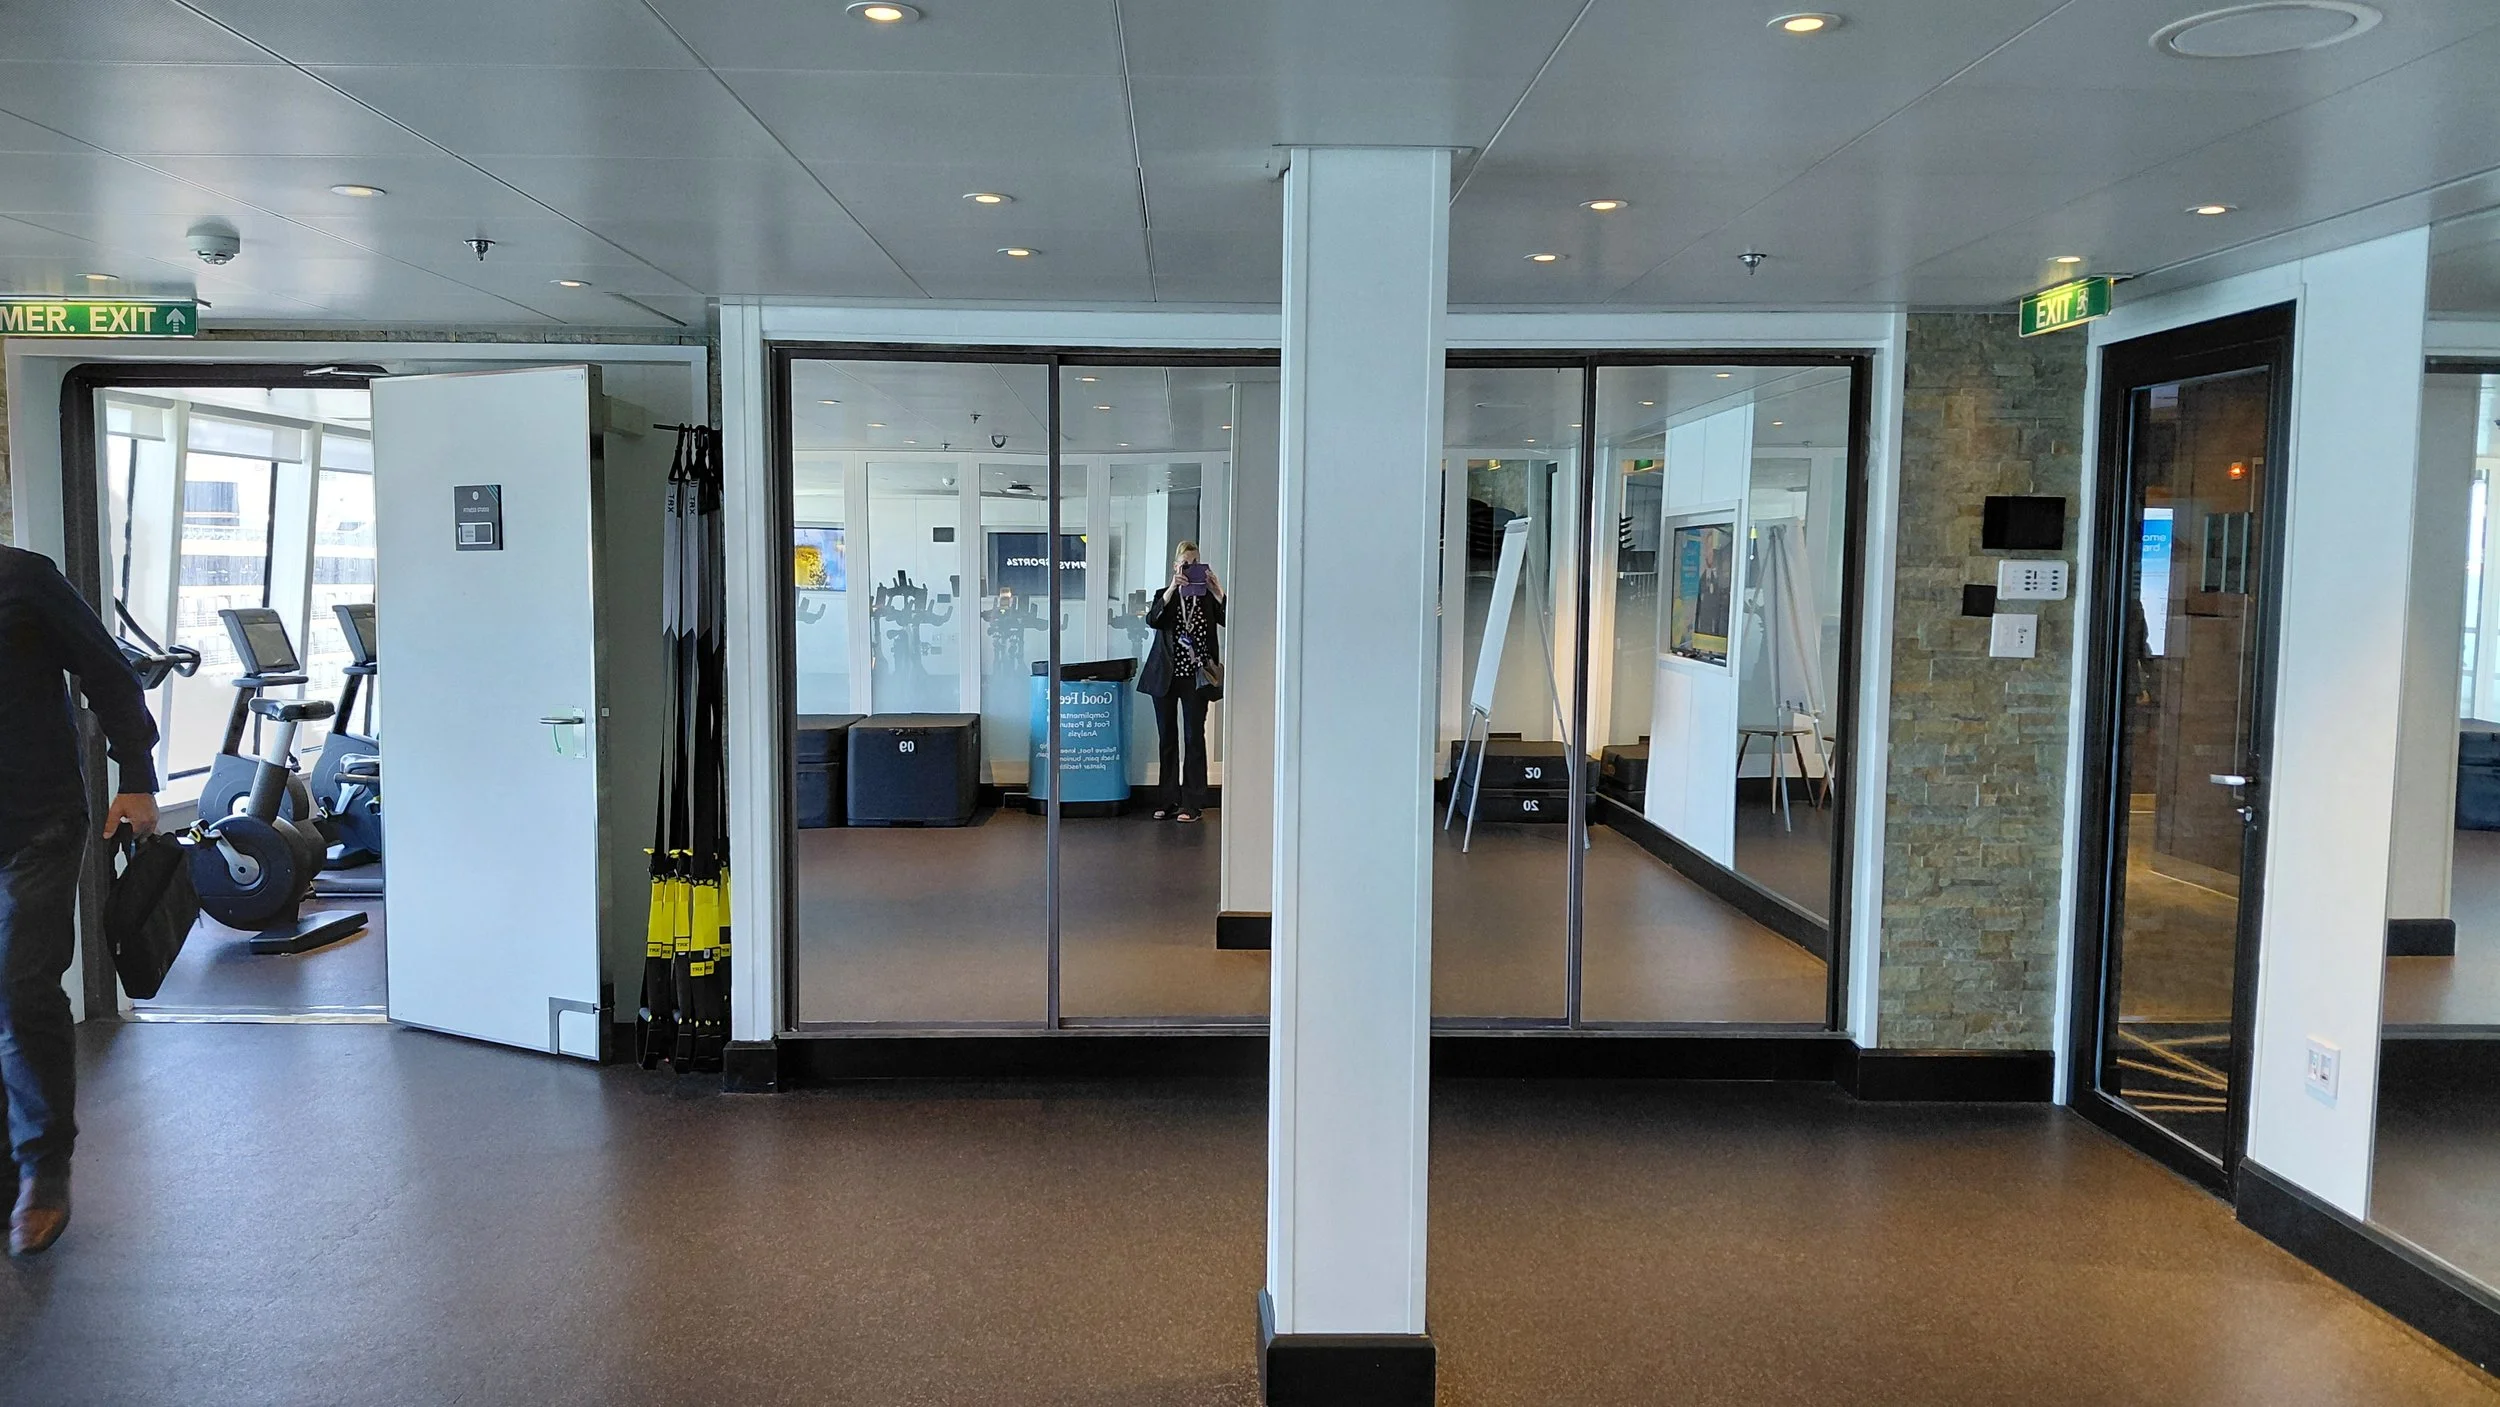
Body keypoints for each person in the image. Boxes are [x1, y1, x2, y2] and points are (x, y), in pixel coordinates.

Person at [0, 545, 160, 1257]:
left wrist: (138, 776)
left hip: (36, 823)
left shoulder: (22, 578)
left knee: (20, 987)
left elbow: (109, 672)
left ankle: (44, 1169)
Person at [1138, 542, 1225, 823]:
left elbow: (1231, 619)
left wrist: (1218, 591)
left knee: (1193, 737)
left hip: (1196, 677)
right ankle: (1168, 800)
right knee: (1167, 738)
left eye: (1196, 563)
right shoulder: (1164, 595)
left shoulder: (1207, 598)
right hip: (1165, 676)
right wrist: (1172, 589)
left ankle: (1193, 803)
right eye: (1186, 564)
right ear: (1176, 567)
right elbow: (1153, 620)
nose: (1191, 568)